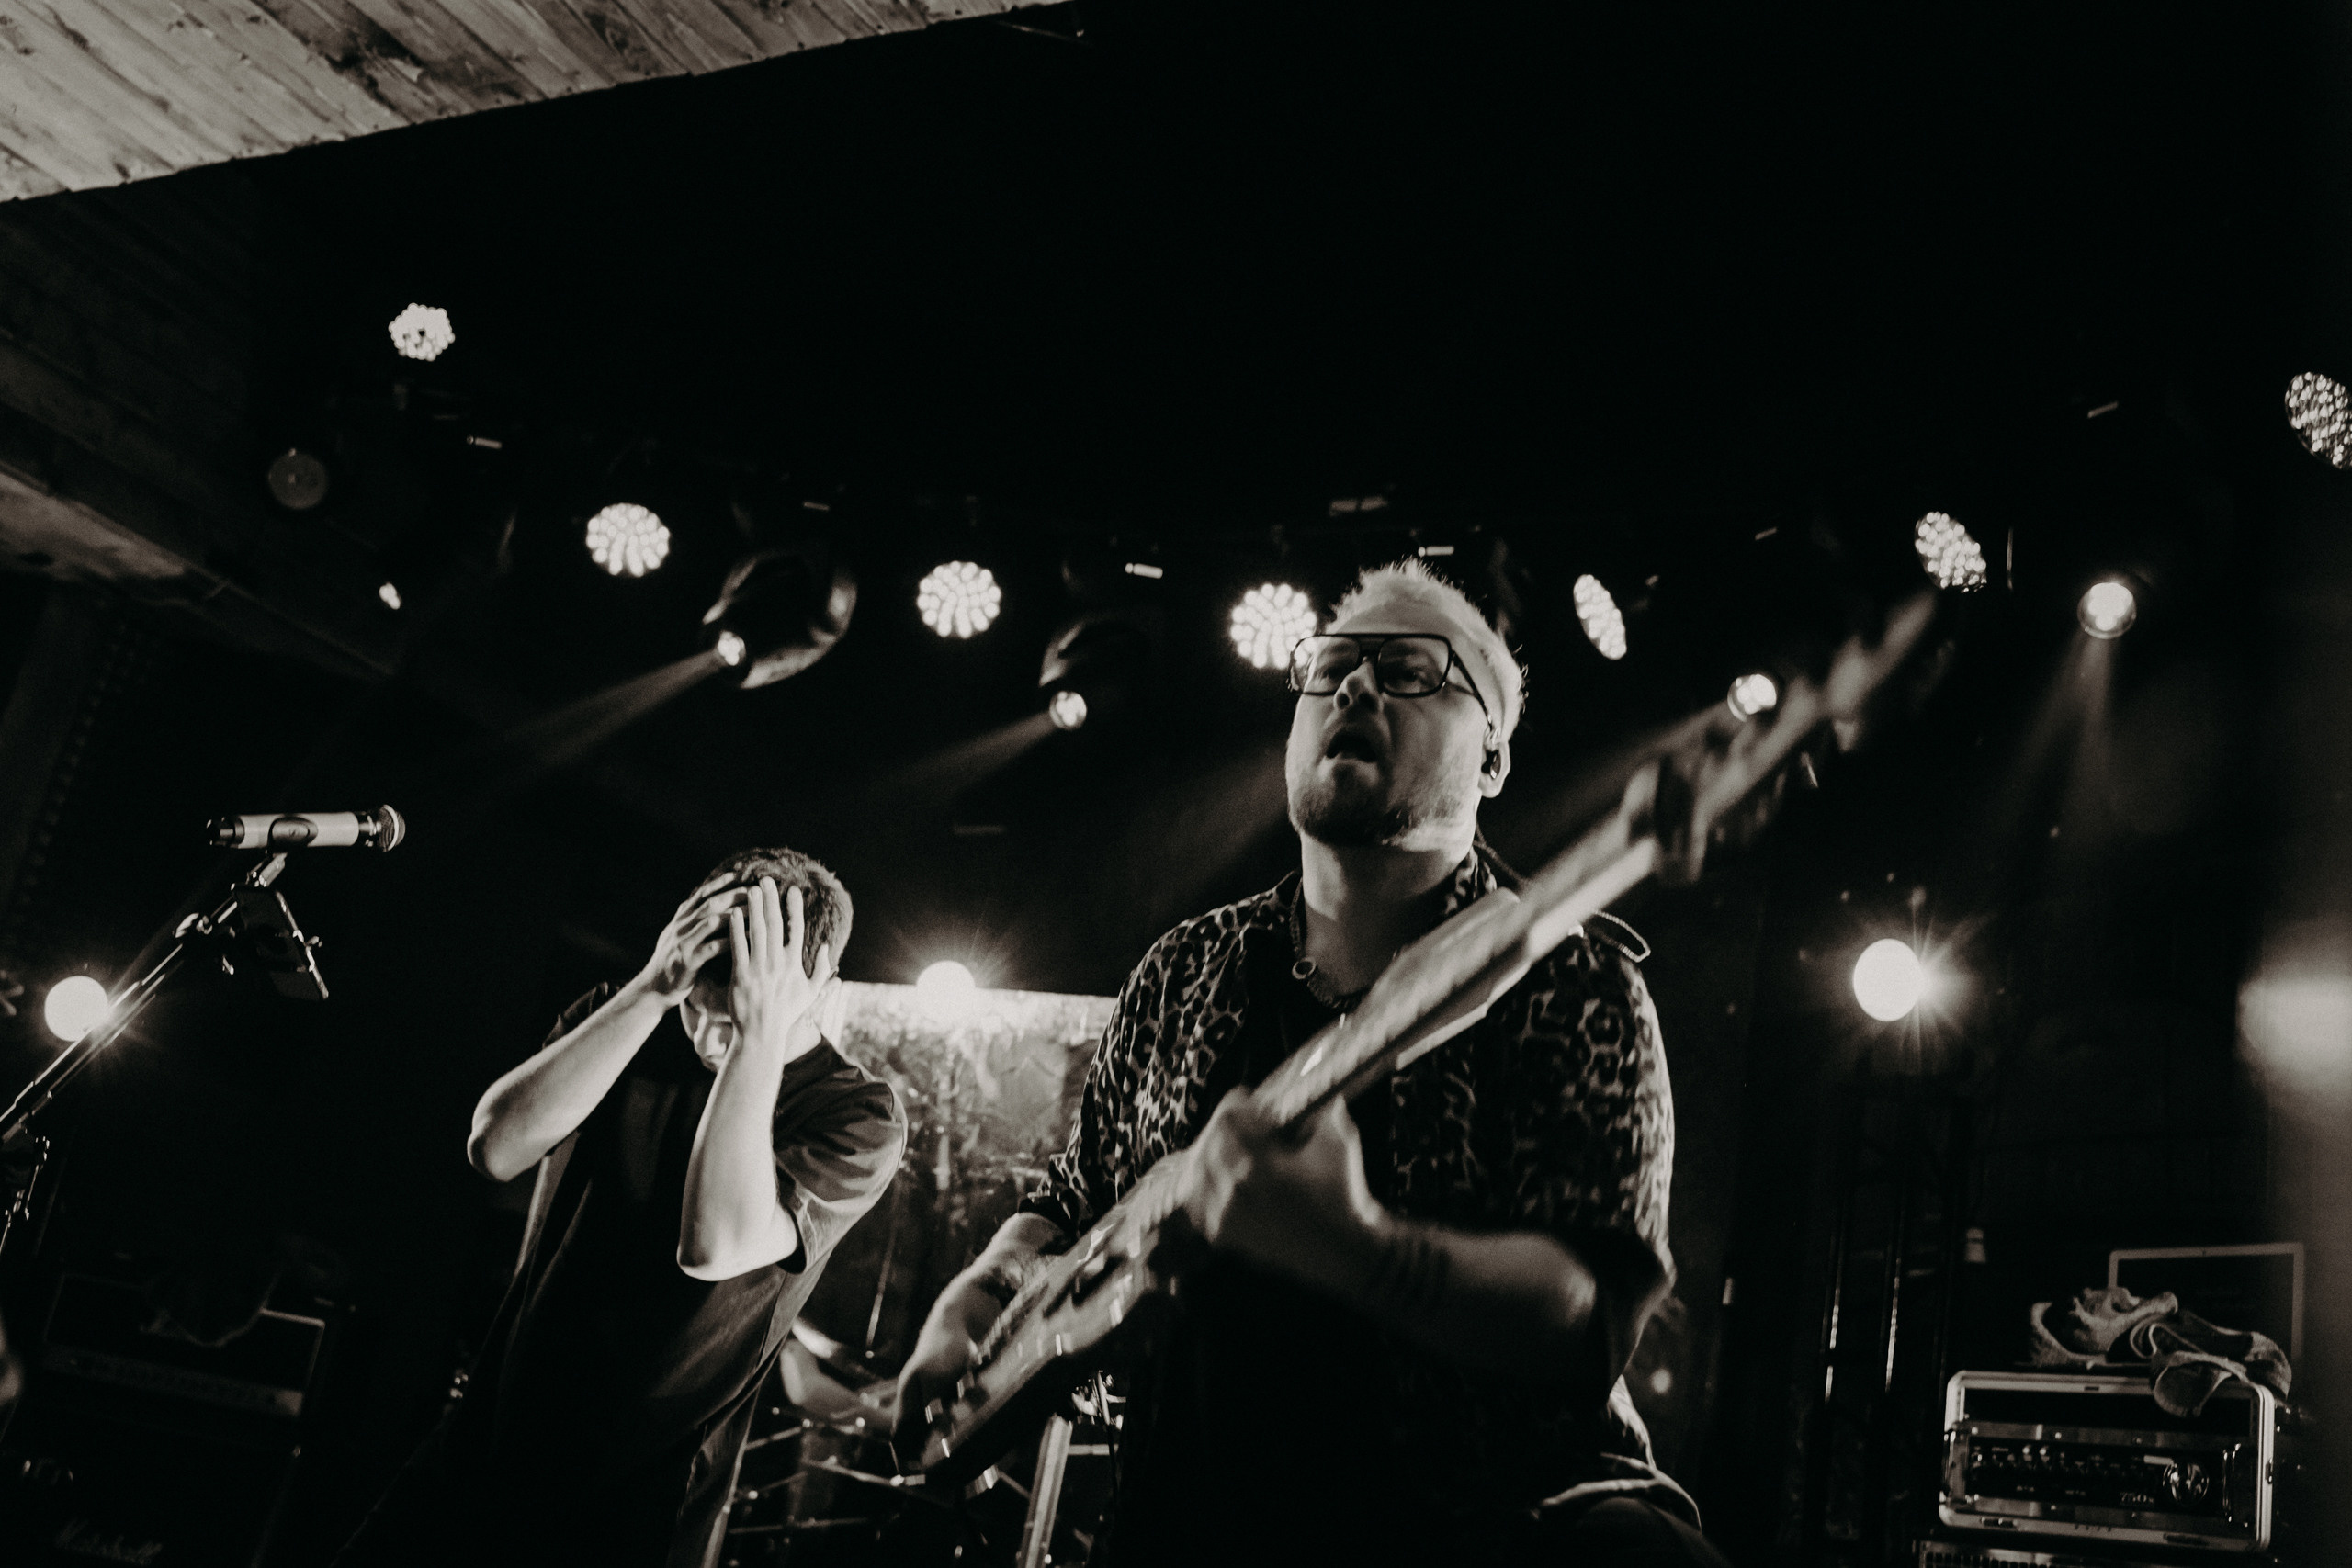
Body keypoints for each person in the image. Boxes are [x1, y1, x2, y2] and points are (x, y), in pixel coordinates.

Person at [897, 560, 1729, 1566]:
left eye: (1414, 670)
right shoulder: (1180, 968)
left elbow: (1584, 1321)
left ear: (1495, 758)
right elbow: (1074, 1204)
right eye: (1331, 665)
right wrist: (979, 1296)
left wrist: (1366, 1253)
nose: (1356, 686)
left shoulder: (1572, 979)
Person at [338, 850, 905, 1568]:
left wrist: (759, 1035)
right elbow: (496, 1147)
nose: (704, 1038)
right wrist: (650, 988)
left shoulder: (856, 1110)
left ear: (815, 980)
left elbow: (715, 1243)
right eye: (697, 1009)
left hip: (637, 1508)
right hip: (489, 1444)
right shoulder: (634, 1014)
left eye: (727, 1020)